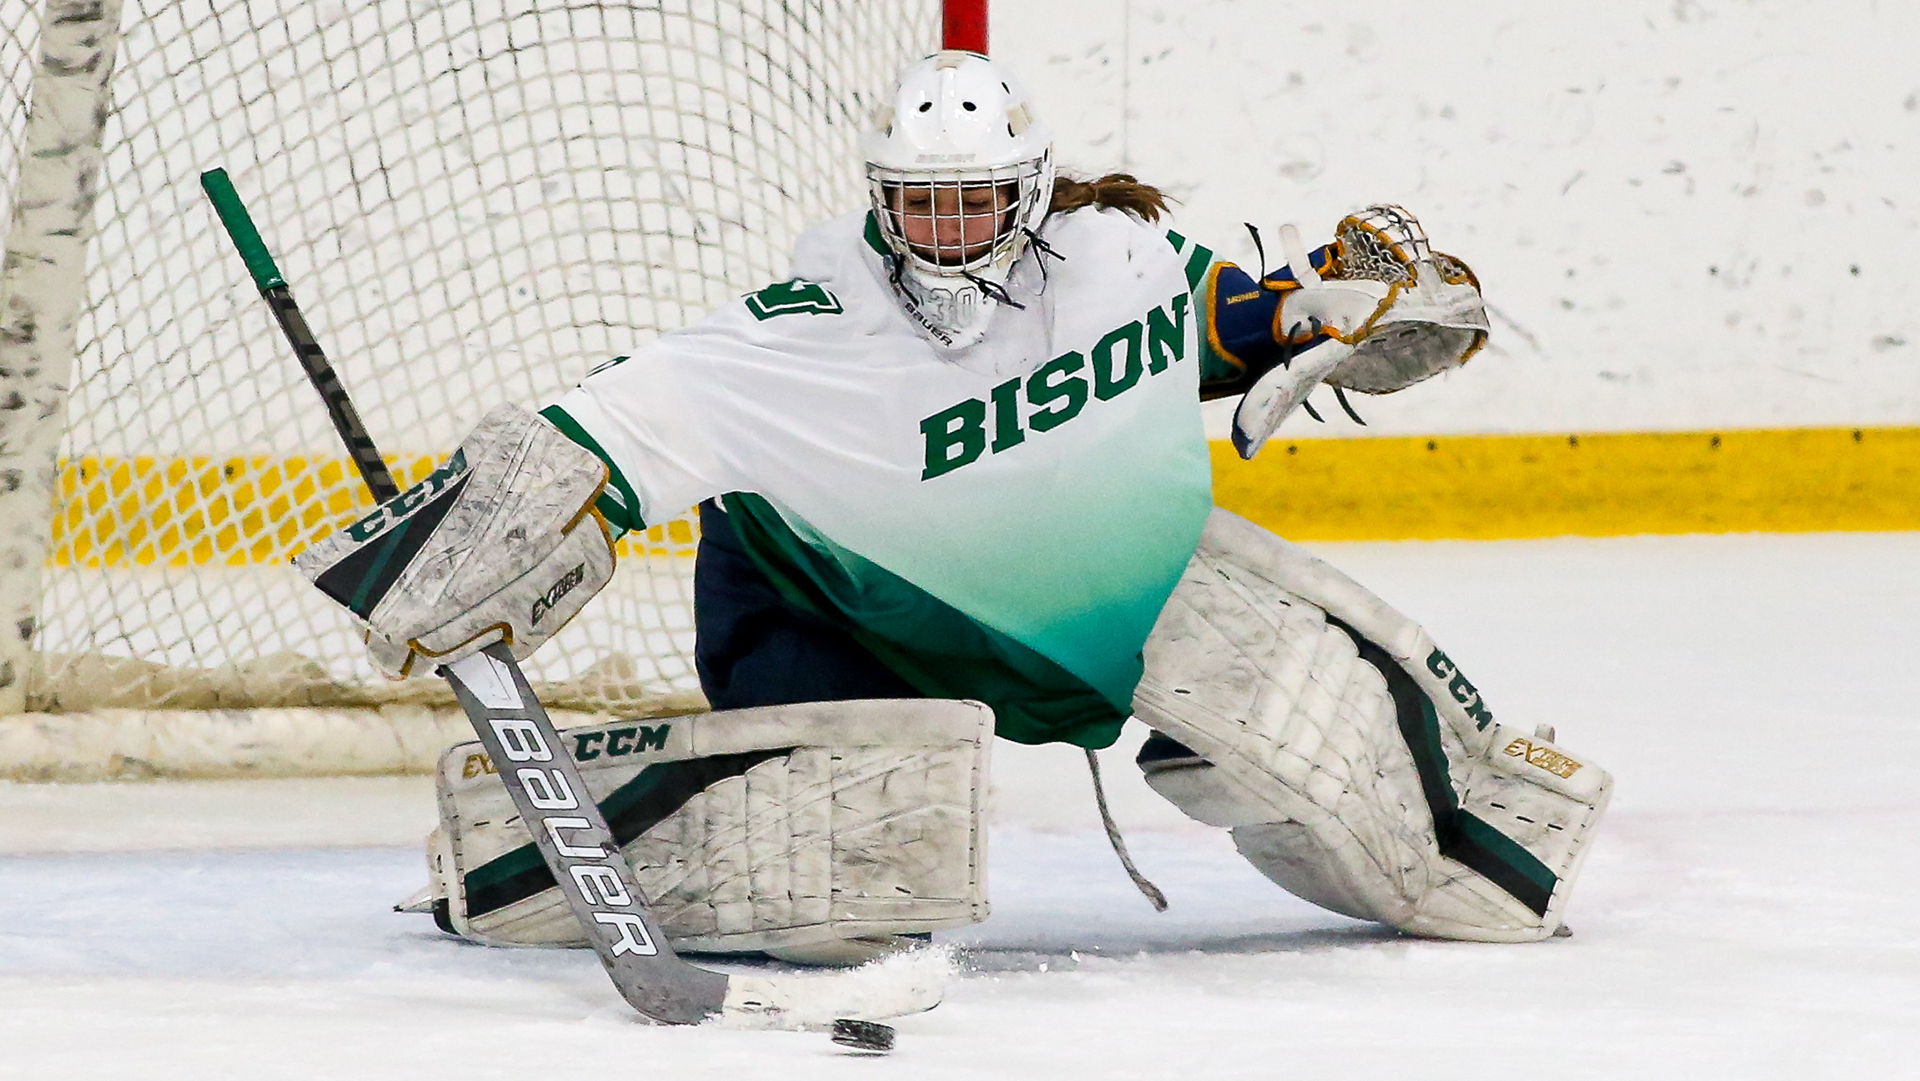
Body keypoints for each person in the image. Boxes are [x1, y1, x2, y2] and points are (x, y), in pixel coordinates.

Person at [300, 51, 1611, 962]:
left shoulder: (1122, 267)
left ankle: (1476, 819)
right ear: (879, 203)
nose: (945, 230)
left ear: (1028, 191)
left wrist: (1360, 318)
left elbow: (1260, 320)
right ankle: (516, 854)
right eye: (918, 206)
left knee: (1328, 720)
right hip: (831, 626)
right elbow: (614, 425)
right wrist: (494, 526)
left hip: (1071, 599)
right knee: (864, 866)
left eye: (973, 201)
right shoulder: (808, 331)